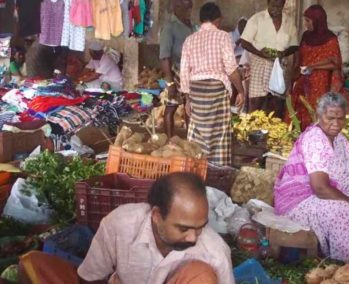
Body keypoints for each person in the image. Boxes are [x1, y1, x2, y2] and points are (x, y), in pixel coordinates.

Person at [274, 92, 349, 262]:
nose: (336, 124)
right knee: (345, 213)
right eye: (330, 118)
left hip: (332, 190)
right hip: (303, 199)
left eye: (340, 118)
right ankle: (347, 264)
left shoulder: (340, 140)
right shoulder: (315, 139)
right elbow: (320, 188)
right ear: (319, 116)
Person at [78, 172, 234, 284]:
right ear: (157, 215)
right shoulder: (119, 225)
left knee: (201, 276)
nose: (193, 238)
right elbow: (90, 277)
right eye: (183, 229)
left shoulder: (215, 252)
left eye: (200, 227)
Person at [180, 2, 245, 166]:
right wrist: (241, 91)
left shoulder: (189, 39)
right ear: (218, 20)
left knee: (197, 133)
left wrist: (188, 99)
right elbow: (231, 68)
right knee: (219, 134)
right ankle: (219, 171)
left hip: (196, 90)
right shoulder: (223, 36)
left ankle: (196, 169)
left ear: (201, 20)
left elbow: (184, 72)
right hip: (216, 89)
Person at [240, 0, 298, 116]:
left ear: (283, 5)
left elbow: (294, 45)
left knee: (277, 101)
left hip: (280, 65)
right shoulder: (257, 19)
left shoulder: (289, 22)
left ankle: (274, 129)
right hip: (260, 63)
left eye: (279, 6)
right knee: (257, 100)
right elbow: (244, 42)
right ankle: (254, 130)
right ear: (268, 4)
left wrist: (284, 53)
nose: (275, 9)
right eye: (273, 5)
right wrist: (259, 52)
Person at [291, 4, 343, 129]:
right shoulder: (306, 36)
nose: (306, 24)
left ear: (317, 21)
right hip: (303, 80)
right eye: (305, 20)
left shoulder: (331, 39)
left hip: (320, 83)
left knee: (315, 111)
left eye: (308, 21)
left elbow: (335, 63)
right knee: (300, 110)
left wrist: (313, 66)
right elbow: (300, 57)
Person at [159, 0, 196, 138]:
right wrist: (170, 82)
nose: (188, 11)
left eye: (190, 7)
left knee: (189, 106)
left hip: (191, 72)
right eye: (185, 7)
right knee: (171, 107)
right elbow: (164, 56)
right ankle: (169, 141)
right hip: (176, 71)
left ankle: (190, 139)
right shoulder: (170, 27)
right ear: (176, 7)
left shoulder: (191, 26)